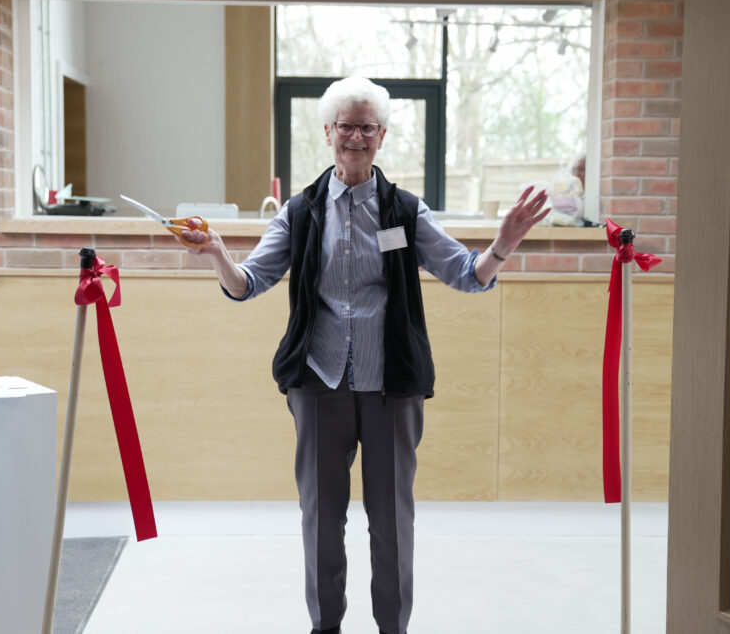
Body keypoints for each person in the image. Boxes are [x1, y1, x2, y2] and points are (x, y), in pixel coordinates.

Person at [178, 76, 549, 634]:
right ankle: (325, 625)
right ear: (327, 132)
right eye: (345, 126)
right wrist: (216, 254)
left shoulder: (404, 210)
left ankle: (392, 628)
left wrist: (503, 245)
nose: (355, 136)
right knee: (321, 517)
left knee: (391, 519)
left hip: (389, 387)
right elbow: (247, 284)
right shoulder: (301, 212)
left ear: (383, 136)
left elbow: (467, 275)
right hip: (318, 384)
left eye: (367, 127)